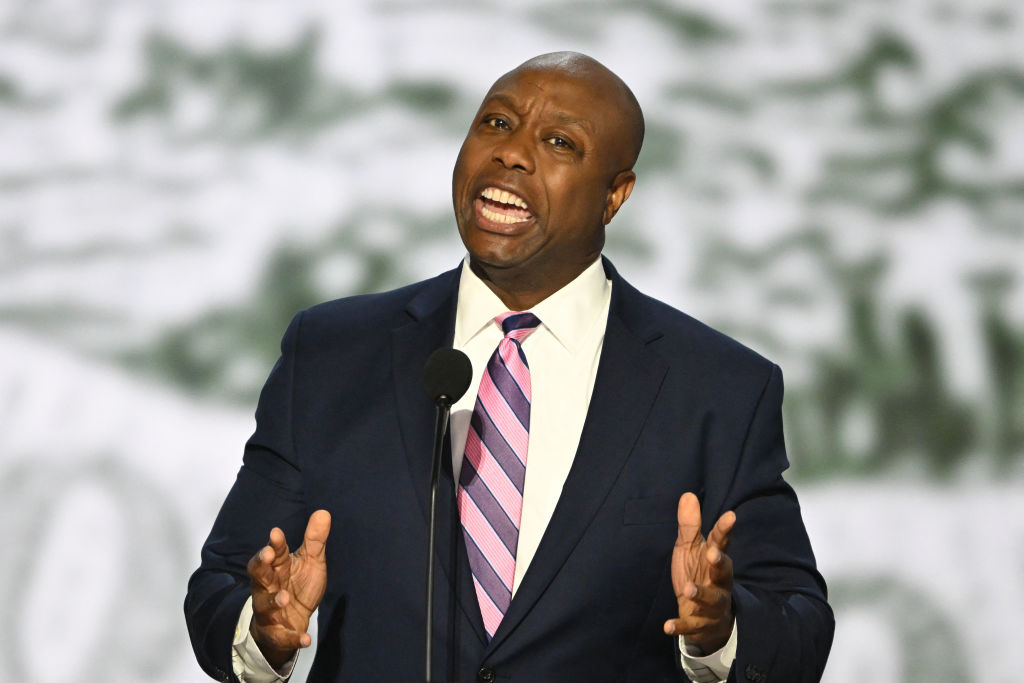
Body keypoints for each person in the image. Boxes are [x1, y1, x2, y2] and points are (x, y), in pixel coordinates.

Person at [185, 51, 834, 683]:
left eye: (559, 142)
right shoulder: (332, 354)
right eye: (496, 123)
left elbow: (799, 628)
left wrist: (720, 630)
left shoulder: (718, 389)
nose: (512, 153)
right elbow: (221, 586)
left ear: (615, 195)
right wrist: (263, 630)